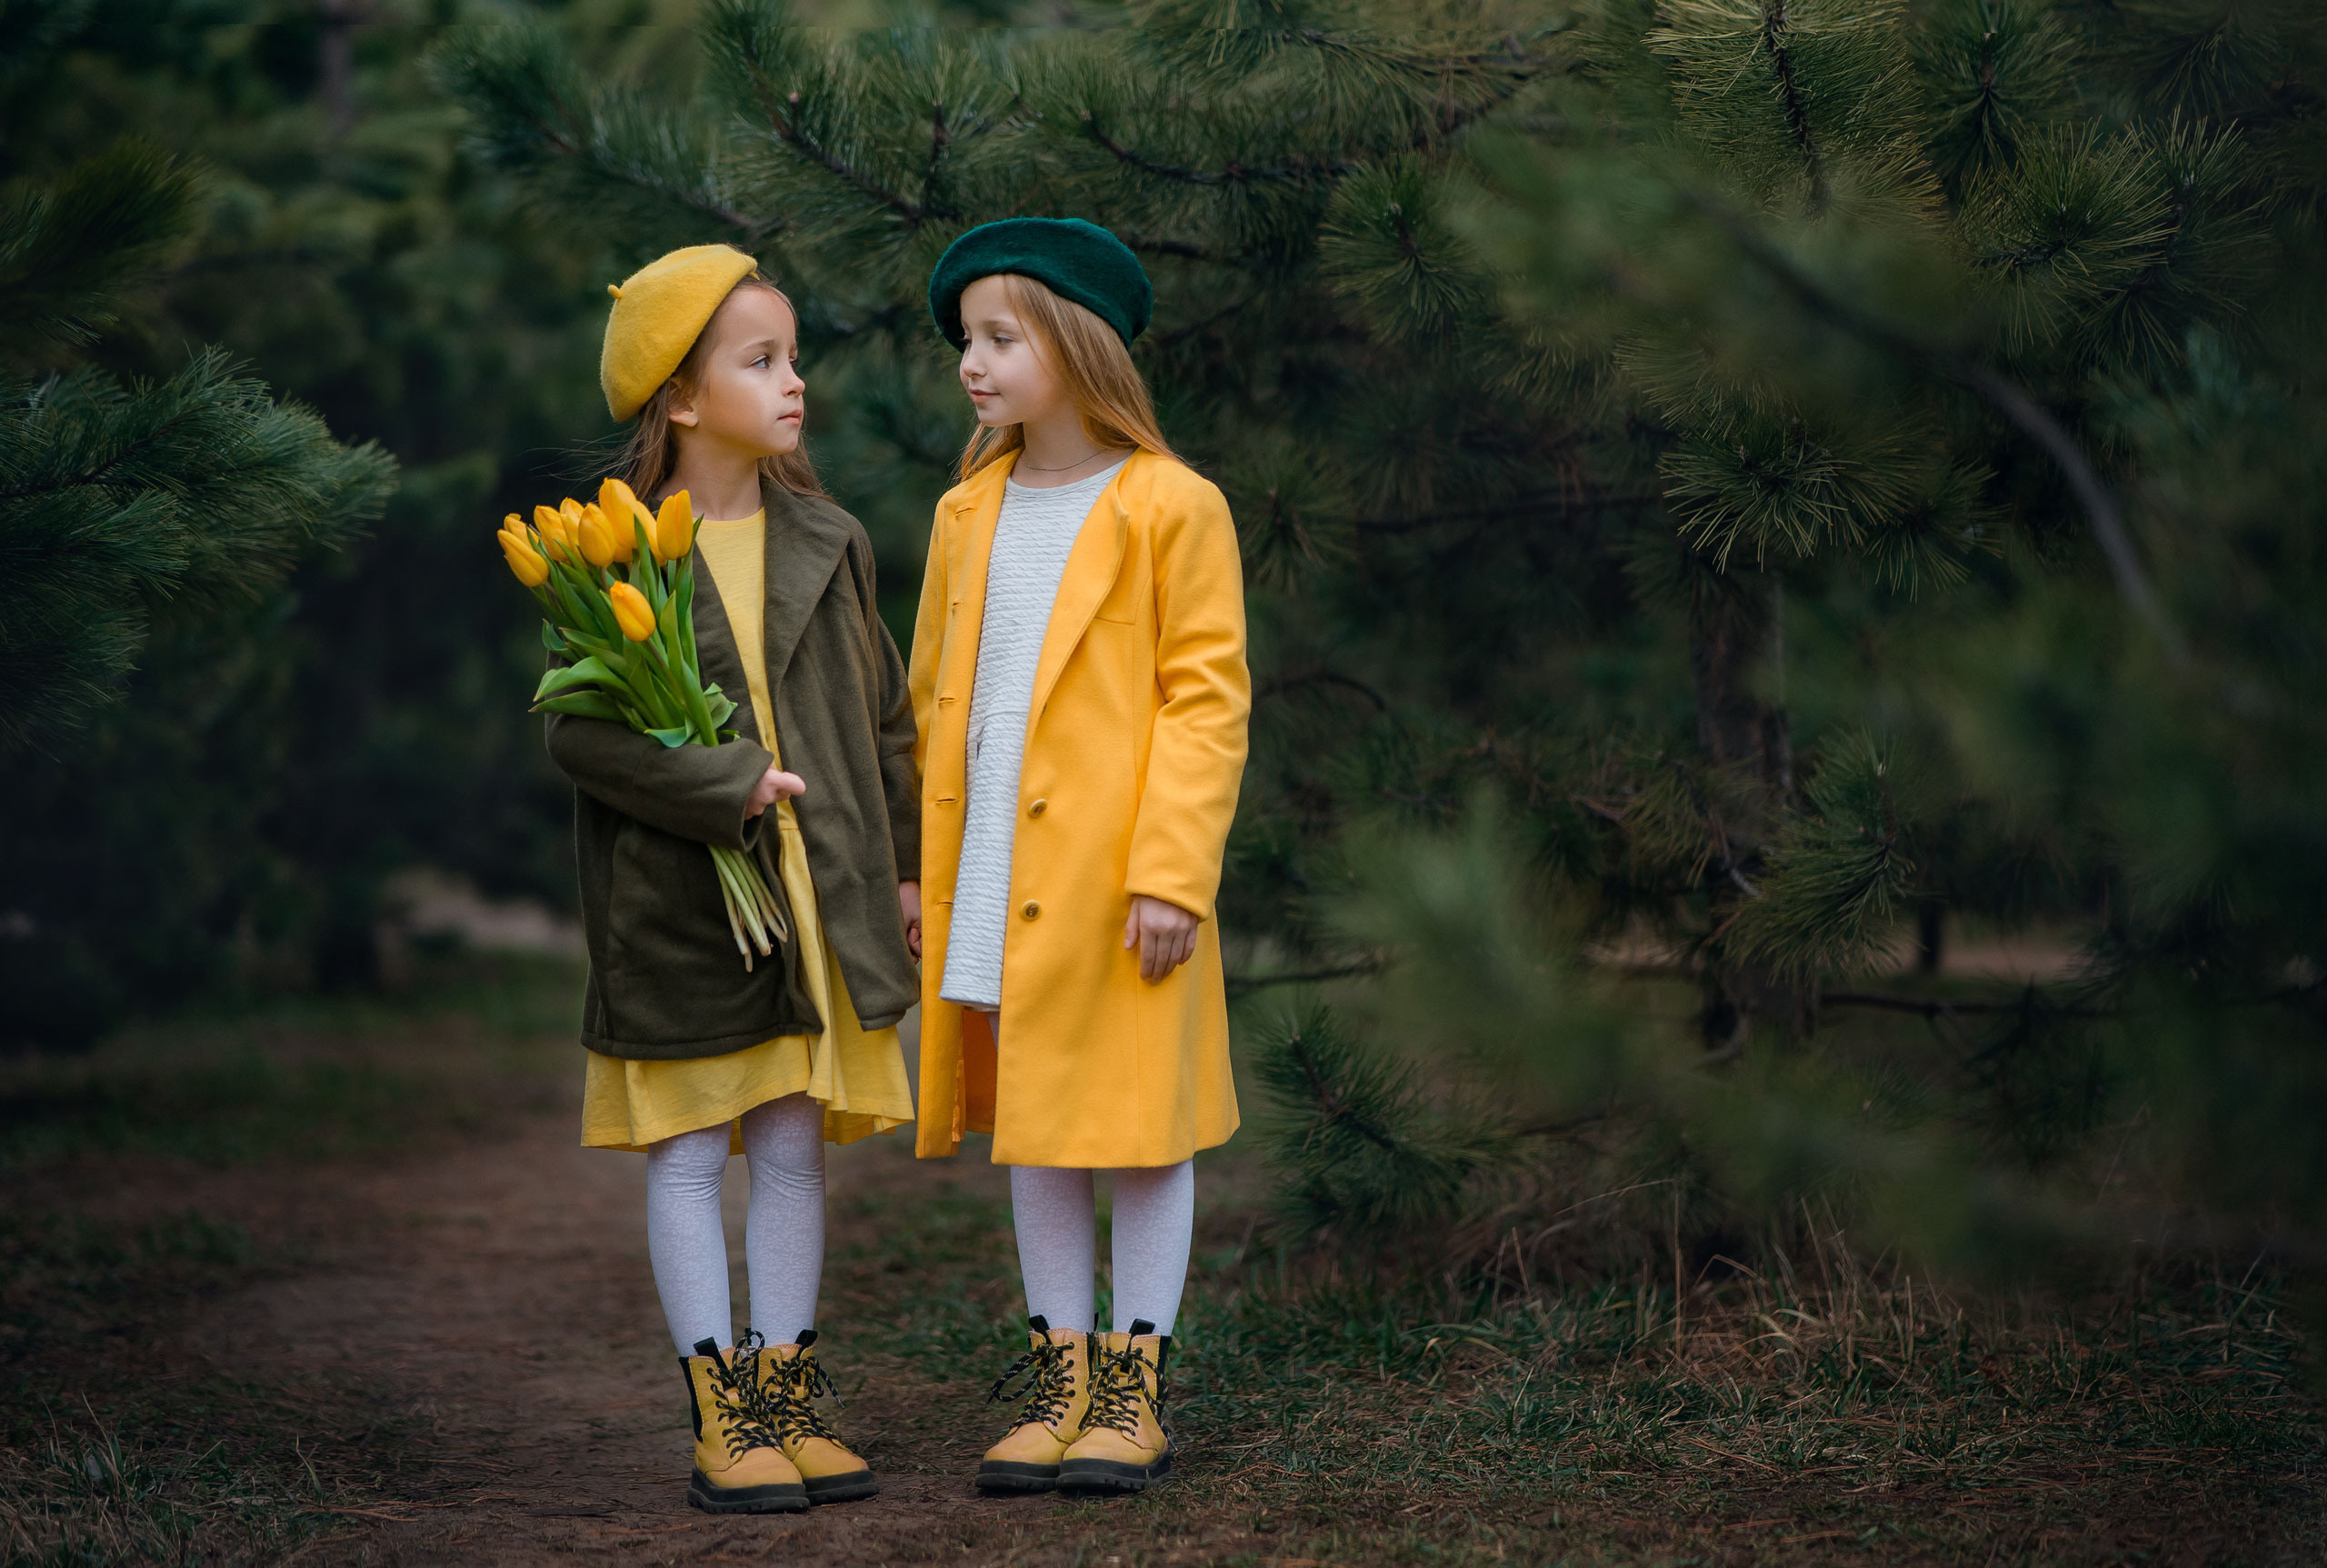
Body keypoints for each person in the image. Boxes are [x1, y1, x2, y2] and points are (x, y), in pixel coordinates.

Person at [548, 244, 920, 1515]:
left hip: (815, 899)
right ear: (685, 400)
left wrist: (909, 873)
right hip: (687, 910)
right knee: (695, 1149)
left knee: (793, 1144)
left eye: (794, 356)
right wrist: (726, 786)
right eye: (762, 361)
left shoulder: (832, 537)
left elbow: (888, 724)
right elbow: (578, 735)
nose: (795, 382)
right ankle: (721, 1413)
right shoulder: (606, 560)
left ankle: (786, 1390)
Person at [908, 218, 1252, 1494]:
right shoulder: (965, 511)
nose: (973, 363)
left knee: (1144, 1132)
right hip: (997, 869)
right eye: (965, 342)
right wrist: (912, 867)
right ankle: (1060, 1385)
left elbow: (1203, 701)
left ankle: (1134, 1394)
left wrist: (1173, 870)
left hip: (1122, 882)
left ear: (1079, 343)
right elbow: (932, 691)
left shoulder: (1174, 505)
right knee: (1039, 1124)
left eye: (1001, 337)